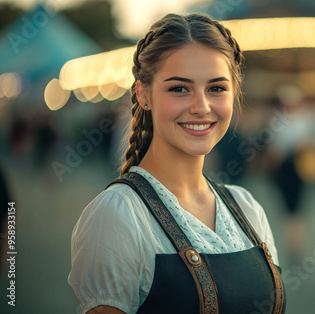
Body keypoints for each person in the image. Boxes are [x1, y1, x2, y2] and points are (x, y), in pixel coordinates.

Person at [68, 13, 285, 314]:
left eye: (216, 88)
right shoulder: (118, 215)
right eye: (179, 88)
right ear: (143, 94)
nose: (201, 106)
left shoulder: (247, 208)